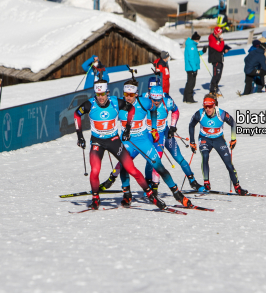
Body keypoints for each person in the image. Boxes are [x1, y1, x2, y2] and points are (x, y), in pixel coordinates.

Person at [98, 80, 194, 207]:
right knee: (124, 165)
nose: (128, 97)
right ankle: (127, 194)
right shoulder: (117, 103)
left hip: (143, 140)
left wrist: (154, 128)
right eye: (126, 94)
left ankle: (177, 194)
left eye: (131, 95)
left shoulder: (144, 102)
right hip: (128, 142)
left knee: (159, 167)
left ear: (136, 94)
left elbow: (154, 110)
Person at [73, 79, 166, 210]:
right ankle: (95, 198)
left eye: (103, 94)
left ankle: (151, 195)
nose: (101, 97)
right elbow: (76, 114)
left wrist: (128, 128)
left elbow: (132, 110)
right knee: (95, 170)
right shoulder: (90, 104)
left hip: (113, 140)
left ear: (107, 92)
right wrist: (79, 135)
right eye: (98, 94)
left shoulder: (115, 101)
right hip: (97, 142)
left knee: (131, 169)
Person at [143, 83, 206, 193]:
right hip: (151, 135)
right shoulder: (144, 100)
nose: (156, 102)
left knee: (178, 157)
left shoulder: (167, 101)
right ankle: (150, 186)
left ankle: (193, 182)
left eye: (158, 99)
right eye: (154, 99)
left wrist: (172, 126)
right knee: (152, 161)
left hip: (165, 133)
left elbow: (175, 111)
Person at [188, 94, 248, 195]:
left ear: (214, 105)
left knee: (228, 164)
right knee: (205, 156)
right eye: (205, 107)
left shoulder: (222, 114)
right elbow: (191, 125)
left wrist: (233, 139)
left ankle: (237, 187)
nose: (208, 109)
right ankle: (206, 182)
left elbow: (233, 123)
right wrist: (192, 142)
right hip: (204, 139)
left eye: (210, 106)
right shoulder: (200, 114)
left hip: (218, 139)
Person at [184, 31, 206, 103]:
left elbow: (196, 55)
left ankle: (185, 98)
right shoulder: (191, 46)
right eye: (198, 39)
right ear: (195, 39)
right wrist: (194, 69)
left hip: (191, 68)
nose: (198, 41)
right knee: (191, 83)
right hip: (191, 68)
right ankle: (189, 99)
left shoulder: (192, 45)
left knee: (189, 82)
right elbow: (191, 59)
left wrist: (203, 51)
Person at [208, 27, 230, 96]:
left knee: (219, 76)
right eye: (219, 34)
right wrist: (222, 41)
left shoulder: (217, 39)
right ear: (216, 34)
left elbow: (219, 49)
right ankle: (212, 91)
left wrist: (224, 50)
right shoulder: (212, 40)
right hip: (216, 60)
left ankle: (215, 91)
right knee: (216, 76)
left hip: (219, 59)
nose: (220, 35)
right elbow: (219, 48)